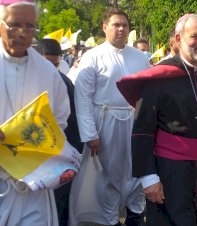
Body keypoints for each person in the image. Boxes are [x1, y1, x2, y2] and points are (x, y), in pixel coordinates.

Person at [116, 13, 197, 226]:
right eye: (196, 36)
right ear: (179, 39)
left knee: (196, 217)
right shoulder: (159, 77)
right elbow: (142, 130)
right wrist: (148, 177)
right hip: (168, 168)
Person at [69, 8, 150, 226]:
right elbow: (83, 97)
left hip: (134, 123)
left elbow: (148, 92)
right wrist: (89, 133)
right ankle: (109, 219)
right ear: (105, 28)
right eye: (116, 24)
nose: (121, 29)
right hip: (104, 125)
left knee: (136, 170)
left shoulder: (140, 57)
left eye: (125, 25)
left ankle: (135, 214)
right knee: (108, 175)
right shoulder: (92, 57)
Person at [0, 1, 71, 225]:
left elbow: (60, 117)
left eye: (30, 26)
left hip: (32, 177)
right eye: (14, 25)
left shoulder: (47, 71)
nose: (22, 32)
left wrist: (42, 138)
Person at [35, 38, 83, 226]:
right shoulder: (17, 81)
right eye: (46, 64)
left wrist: (70, 159)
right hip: (24, 159)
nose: (51, 70)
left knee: (58, 206)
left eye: (55, 65)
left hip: (57, 160)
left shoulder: (65, 84)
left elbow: (74, 124)